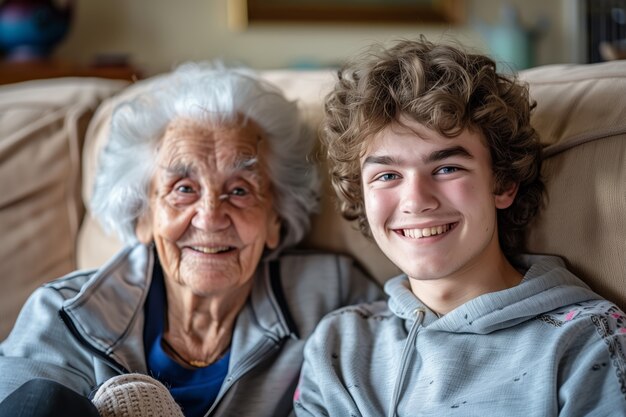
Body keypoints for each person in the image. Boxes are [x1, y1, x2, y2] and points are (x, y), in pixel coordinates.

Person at [0, 62, 383, 417]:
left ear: (275, 219)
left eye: (240, 190)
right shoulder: (66, 314)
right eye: (183, 188)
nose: (211, 216)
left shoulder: (332, 294)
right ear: (143, 216)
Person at [294, 37, 626, 416]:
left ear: (502, 183)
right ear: (361, 195)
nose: (416, 200)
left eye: (447, 168)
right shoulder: (339, 345)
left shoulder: (588, 343)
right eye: (387, 175)